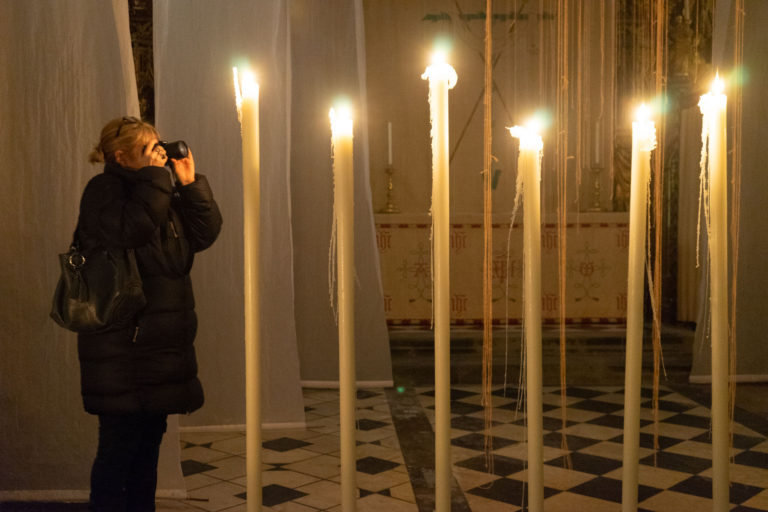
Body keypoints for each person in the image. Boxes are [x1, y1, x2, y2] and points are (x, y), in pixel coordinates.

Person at [76, 116, 222, 511]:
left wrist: (189, 184)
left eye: (160, 145)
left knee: (148, 446)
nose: (160, 153)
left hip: (160, 346)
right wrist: (158, 178)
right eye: (149, 148)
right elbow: (132, 229)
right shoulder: (104, 191)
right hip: (123, 346)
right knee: (118, 449)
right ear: (120, 156)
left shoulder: (156, 190)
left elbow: (204, 234)